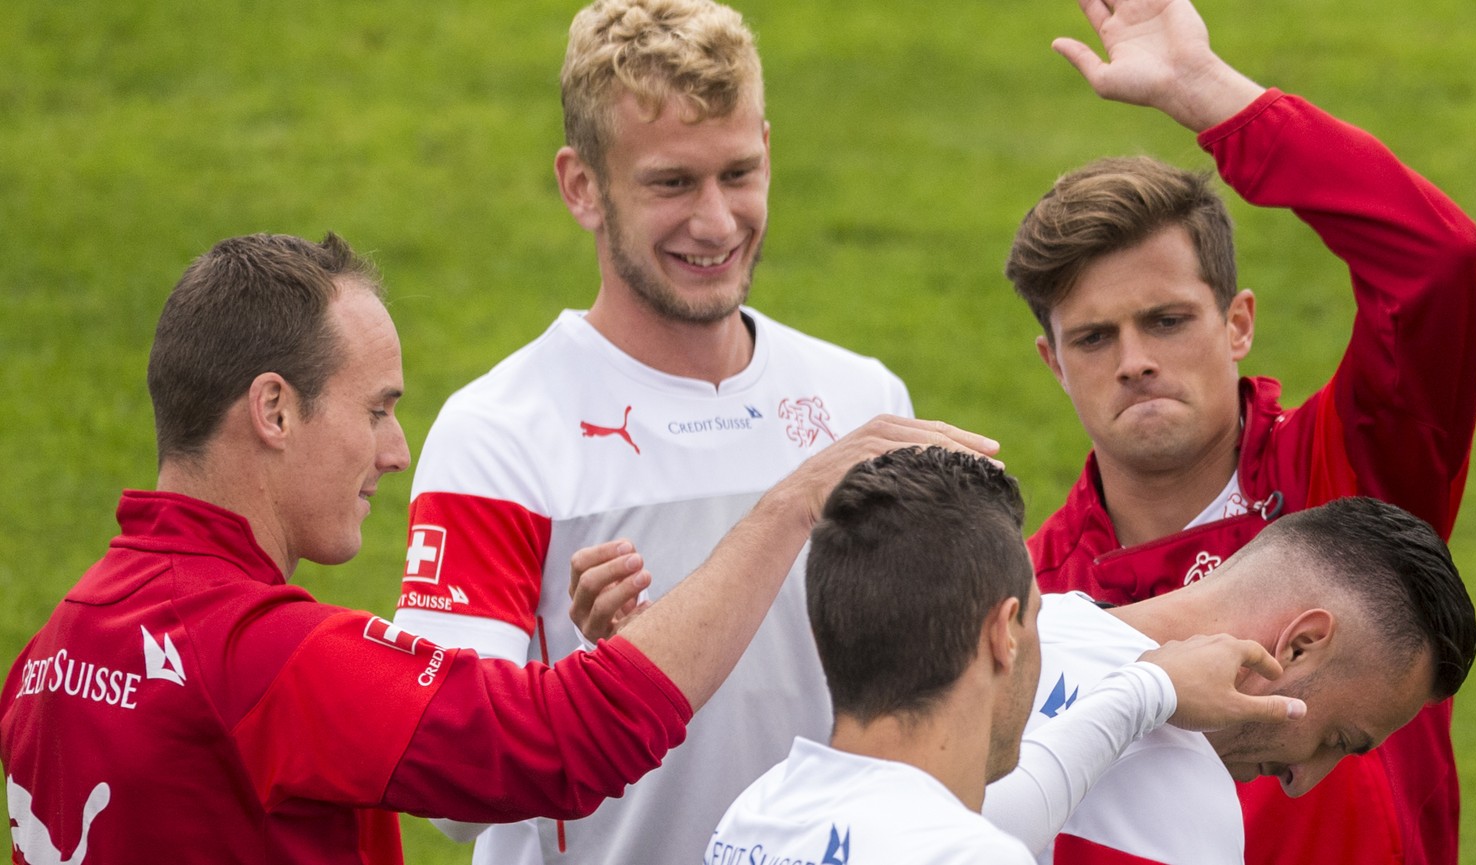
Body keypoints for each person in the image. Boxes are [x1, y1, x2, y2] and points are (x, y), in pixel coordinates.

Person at [0, 232, 993, 865]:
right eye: (378, 410)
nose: (395, 451)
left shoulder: (52, 650)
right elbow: (556, 748)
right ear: (272, 409)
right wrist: (789, 506)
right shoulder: (264, 657)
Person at [389, 1, 912, 863]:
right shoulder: (499, 435)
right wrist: (601, 683)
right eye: (672, 183)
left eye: (738, 173)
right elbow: (448, 790)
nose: (715, 222)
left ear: (770, 153)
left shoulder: (861, 397)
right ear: (581, 186)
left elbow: (928, 695)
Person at [1007, 0, 1476, 861]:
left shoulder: (1354, 476)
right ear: (1053, 361)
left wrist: (1210, 94)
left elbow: (1433, 263)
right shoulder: (1037, 591)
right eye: (1093, 336)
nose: (1133, 361)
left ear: (1238, 323)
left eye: (1166, 320)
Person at [708, 447, 1306, 865]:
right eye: (1040, 617)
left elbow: (1018, 801)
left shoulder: (756, 813)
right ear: (1004, 636)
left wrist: (1150, 687)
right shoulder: (968, 855)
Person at [985, 496, 1476, 864]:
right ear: (1299, 645)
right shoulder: (1192, 809)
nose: (1299, 782)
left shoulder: (986, 634)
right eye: (1336, 739)